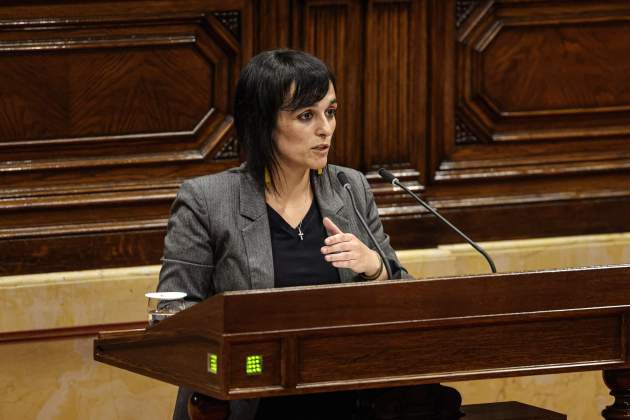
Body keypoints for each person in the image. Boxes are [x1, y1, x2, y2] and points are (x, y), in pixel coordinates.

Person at [157, 48, 411, 420]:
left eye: (331, 111)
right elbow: (170, 314)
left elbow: (408, 300)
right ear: (263, 122)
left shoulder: (349, 188)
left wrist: (375, 267)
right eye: (306, 115)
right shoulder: (207, 201)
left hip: (346, 402)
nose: (325, 128)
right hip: (243, 406)